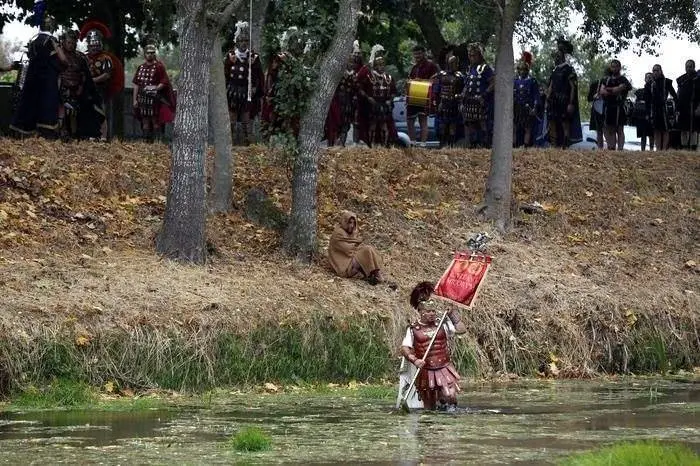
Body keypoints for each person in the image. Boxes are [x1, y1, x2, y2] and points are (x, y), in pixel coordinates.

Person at [400, 281, 466, 411]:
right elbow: (404, 348)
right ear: (421, 311)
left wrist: (453, 314)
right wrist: (415, 360)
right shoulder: (413, 329)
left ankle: (450, 423)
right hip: (426, 370)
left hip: (444, 367)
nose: (432, 314)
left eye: (433, 311)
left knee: (450, 396)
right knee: (429, 407)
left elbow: (462, 330)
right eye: (428, 311)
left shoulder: (442, 323)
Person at [9, 13, 67, 138]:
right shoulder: (51, 40)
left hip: (32, 79)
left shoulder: (33, 40)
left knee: (30, 105)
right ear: (52, 27)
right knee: (47, 107)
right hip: (47, 81)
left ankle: (27, 135)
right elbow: (63, 59)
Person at [79, 20, 123, 141]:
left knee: (101, 112)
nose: (94, 47)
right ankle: (90, 134)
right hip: (87, 90)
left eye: (96, 45)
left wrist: (93, 80)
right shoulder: (84, 57)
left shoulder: (105, 58)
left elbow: (107, 75)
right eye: (92, 45)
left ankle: (103, 136)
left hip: (100, 89)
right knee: (88, 112)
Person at [57, 30, 104, 140]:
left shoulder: (81, 57)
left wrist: (81, 88)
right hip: (61, 89)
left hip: (76, 90)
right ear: (64, 42)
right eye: (69, 42)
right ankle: (62, 133)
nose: (71, 45)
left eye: (73, 43)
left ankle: (75, 135)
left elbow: (84, 75)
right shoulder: (58, 55)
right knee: (62, 112)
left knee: (75, 113)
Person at [224, 21, 264, 145]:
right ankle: (230, 143)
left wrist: (255, 88)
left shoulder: (253, 57)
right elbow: (225, 73)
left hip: (247, 91)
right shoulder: (230, 56)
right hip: (233, 90)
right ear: (237, 42)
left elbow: (259, 76)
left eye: (246, 41)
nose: (243, 43)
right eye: (241, 41)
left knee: (247, 118)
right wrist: (230, 63)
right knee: (232, 117)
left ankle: (249, 144)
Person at [132, 43, 176, 142]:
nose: (150, 55)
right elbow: (136, 84)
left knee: (155, 121)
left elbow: (164, 81)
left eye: (152, 53)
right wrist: (134, 100)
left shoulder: (159, 67)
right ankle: (146, 143)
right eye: (148, 53)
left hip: (154, 99)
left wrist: (155, 88)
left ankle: (157, 143)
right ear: (145, 54)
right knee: (145, 121)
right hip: (142, 98)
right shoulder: (141, 67)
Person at [327, 210, 385, 285]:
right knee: (366, 250)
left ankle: (375, 274)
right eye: (350, 222)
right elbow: (349, 250)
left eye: (354, 223)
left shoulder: (351, 232)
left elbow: (356, 245)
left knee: (369, 249)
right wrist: (358, 246)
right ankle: (377, 276)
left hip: (350, 262)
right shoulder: (338, 234)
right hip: (344, 267)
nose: (352, 225)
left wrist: (358, 245)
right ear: (344, 222)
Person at [356, 44, 397, 147]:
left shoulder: (389, 78)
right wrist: (368, 98)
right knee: (372, 125)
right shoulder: (369, 76)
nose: (380, 67)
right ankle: (372, 145)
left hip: (384, 104)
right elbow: (360, 88)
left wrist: (390, 100)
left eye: (382, 64)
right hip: (373, 104)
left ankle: (384, 144)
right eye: (378, 65)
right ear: (374, 65)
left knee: (384, 125)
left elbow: (393, 92)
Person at [546, 37, 582, 148]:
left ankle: (565, 145)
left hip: (564, 100)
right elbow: (551, 86)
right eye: (555, 56)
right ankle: (554, 144)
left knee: (564, 123)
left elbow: (573, 88)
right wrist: (547, 98)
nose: (556, 57)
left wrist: (571, 103)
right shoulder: (555, 70)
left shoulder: (569, 69)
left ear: (562, 56)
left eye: (558, 56)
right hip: (554, 100)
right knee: (553, 122)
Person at [325, 41, 362, 146]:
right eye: (349, 62)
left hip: (349, 103)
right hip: (338, 102)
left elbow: (356, 88)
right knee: (336, 123)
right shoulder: (340, 73)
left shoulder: (355, 74)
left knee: (346, 125)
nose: (351, 64)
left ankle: (342, 144)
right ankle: (332, 144)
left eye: (353, 62)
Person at [460, 42, 494, 148]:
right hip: (469, 101)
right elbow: (466, 84)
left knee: (482, 123)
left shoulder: (485, 68)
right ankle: (473, 145)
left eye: (474, 55)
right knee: (470, 122)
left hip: (481, 101)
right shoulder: (470, 69)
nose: (471, 58)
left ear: (480, 55)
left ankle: (485, 145)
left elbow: (494, 83)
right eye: (470, 55)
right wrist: (462, 97)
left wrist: (484, 95)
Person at [407, 45, 439, 144]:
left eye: (419, 53)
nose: (417, 56)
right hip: (413, 96)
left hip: (424, 96)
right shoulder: (413, 67)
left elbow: (436, 80)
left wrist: (421, 81)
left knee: (422, 120)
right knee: (409, 120)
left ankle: (423, 144)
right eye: (415, 54)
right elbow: (410, 80)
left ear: (424, 53)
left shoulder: (431, 65)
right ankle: (412, 143)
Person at [432, 52, 463, 147]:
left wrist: (460, 98)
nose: (456, 65)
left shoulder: (459, 76)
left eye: (456, 63)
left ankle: (451, 145)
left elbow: (463, 89)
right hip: (443, 103)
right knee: (442, 125)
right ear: (449, 64)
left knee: (452, 126)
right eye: (453, 63)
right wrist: (437, 103)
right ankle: (442, 144)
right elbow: (436, 90)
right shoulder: (441, 75)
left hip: (454, 103)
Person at [599, 59, 632, 150]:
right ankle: (612, 148)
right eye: (612, 66)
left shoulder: (623, 79)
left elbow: (620, 89)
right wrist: (615, 89)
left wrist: (609, 90)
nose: (614, 68)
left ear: (619, 67)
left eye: (616, 66)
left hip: (619, 107)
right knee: (610, 129)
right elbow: (602, 91)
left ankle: (620, 149)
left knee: (620, 129)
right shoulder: (606, 79)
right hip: (608, 107)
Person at [646, 64, 678, 151]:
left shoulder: (666, 82)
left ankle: (664, 149)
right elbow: (647, 99)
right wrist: (648, 112)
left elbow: (674, 95)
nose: (655, 72)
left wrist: (674, 107)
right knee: (656, 129)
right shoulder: (649, 84)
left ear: (661, 71)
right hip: (654, 109)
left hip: (664, 109)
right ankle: (658, 149)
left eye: (657, 70)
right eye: (654, 70)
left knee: (665, 129)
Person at [513, 52, 539, 147]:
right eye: (520, 69)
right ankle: (514, 145)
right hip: (516, 107)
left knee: (527, 128)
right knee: (515, 127)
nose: (522, 71)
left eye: (524, 69)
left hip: (527, 108)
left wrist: (535, 107)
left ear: (527, 70)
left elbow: (536, 96)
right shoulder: (515, 81)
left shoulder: (532, 81)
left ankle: (526, 146)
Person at [676, 60, 700, 150]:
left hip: (694, 106)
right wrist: (677, 109)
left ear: (694, 67)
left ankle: (693, 149)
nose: (688, 68)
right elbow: (678, 93)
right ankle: (684, 148)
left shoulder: (697, 78)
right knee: (683, 129)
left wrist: (699, 107)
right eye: (687, 66)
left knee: (693, 129)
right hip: (683, 107)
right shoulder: (682, 79)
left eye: (690, 66)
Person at [633, 73, 655, 151]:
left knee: (651, 134)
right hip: (641, 115)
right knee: (643, 134)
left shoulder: (655, 90)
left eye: (650, 77)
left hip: (651, 114)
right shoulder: (640, 91)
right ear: (644, 79)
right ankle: (643, 150)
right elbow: (636, 103)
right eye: (647, 77)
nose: (648, 79)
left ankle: (651, 150)